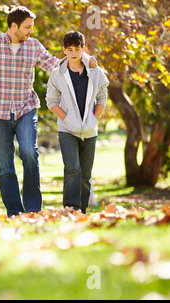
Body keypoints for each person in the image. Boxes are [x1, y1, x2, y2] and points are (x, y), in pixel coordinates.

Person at [0, 6, 97, 217]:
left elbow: (55, 64)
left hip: (26, 108)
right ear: (14, 26)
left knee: (29, 152)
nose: (31, 31)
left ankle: (32, 209)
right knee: (5, 165)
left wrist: (86, 60)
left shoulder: (33, 46)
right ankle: (15, 211)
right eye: (27, 27)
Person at [46, 31, 109, 213]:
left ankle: (82, 210)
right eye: (70, 49)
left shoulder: (94, 71)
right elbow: (51, 101)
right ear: (64, 50)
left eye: (78, 49)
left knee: (85, 174)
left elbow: (102, 95)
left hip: (90, 130)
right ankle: (70, 207)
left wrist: (93, 119)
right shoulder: (57, 74)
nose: (74, 53)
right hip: (67, 130)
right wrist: (68, 119)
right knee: (72, 168)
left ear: (83, 49)